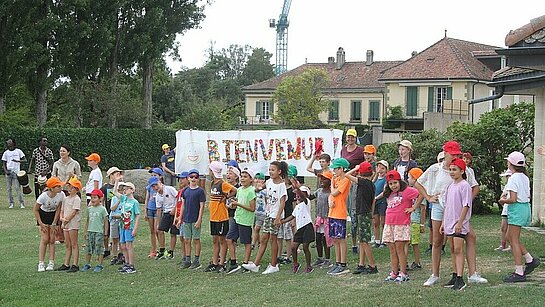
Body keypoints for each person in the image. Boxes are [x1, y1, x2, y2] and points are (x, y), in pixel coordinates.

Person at [417, 141, 487, 286]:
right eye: (452, 154)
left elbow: (475, 187)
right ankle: (435, 274)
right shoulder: (435, 169)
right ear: (445, 154)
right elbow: (418, 182)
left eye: (457, 154)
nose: (455, 156)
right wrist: (428, 197)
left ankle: (468, 273)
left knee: (466, 238)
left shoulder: (464, 169)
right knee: (437, 240)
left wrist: (465, 202)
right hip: (439, 207)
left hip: (457, 210)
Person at [499, 151, 540, 282]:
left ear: (510, 164)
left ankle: (519, 271)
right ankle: (529, 259)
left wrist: (502, 201)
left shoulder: (513, 178)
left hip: (516, 209)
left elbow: (513, 199)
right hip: (525, 207)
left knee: (514, 240)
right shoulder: (524, 177)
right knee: (510, 237)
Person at [242, 161, 288, 275]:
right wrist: (256, 187)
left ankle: (274, 265)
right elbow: (260, 188)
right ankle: (256, 264)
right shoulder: (269, 182)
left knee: (273, 239)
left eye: (273, 170)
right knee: (263, 239)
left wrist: (278, 217)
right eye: (270, 170)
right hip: (268, 214)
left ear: (279, 171)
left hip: (275, 216)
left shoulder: (281, 185)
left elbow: (282, 203)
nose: (270, 172)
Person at [382, 170, 419, 282]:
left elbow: (421, 193)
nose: (393, 186)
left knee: (400, 249)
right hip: (389, 224)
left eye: (395, 183)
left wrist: (414, 207)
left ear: (400, 182)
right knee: (392, 249)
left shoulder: (407, 191)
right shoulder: (389, 193)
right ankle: (394, 272)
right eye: (391, 183)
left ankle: (403, 273)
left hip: (401, 224)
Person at [441, 158, 472, 291]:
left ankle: (460, 278)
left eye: (455, 169)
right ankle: (454, 275)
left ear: (462, 171)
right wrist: (443, 222)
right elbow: (447, 206)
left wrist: (460, 222)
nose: (452, 172)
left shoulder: (464, 186)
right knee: (453, 249)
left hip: (459, 223)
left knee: (459, 249)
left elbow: (466, 205)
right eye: (451, 169)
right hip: (449, 222)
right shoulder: (450, 186)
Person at [345, 161, 378, 275]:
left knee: (364, 241)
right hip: (366, 212)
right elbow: (373, 201)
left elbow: (347, 175)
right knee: (362, 240)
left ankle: (372, 265)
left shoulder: (363, 182)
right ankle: (361, 264)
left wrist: (355, 168)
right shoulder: (371, 184)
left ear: (361, 173)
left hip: (363, 212)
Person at [205, 161, 237, 273]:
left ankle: (221, 263)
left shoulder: (222, 183)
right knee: (215, 240)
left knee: (222, 240)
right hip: (213, 217)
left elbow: (234, 190)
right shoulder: (213, 183)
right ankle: (214, 262)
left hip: (221, 216)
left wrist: (226, 197)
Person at [227, 168, 257, 274]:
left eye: (245, 177)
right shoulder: (239, 190)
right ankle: (233, 262)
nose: (242, 179)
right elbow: (238, 203)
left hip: (245, 220)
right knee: (229, 239)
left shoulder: (251, 191)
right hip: (237, 218)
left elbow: (252, 208)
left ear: (251, 179)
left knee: (246, 242)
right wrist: (233, 204)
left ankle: (245, 263)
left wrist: (238, 204)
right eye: (242, 176)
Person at [340, 129, 364, 255]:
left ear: (355, 138)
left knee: (354, 207)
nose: (350, 139)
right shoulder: (343, 149)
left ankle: (358, 241)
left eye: (352, 137)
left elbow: (364, 164)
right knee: (346, 204)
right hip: (344, 179)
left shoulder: (360, 150)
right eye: (348, 137)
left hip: (354, 179)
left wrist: (357, 172)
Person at [326, 158, 352, 276]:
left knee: (341, 239)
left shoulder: (345, 180)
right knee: (335, 239)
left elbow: (335, 193)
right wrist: (329, 199)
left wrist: (332, 187)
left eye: (336, 168)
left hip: (340, 213)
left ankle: (343, 263)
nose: (334, 170)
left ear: (342, 169)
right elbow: (331, 196)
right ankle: (337, 262)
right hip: (332, 213)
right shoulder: (335, 179)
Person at [34, 177, 65, 272]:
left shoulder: (61, 195)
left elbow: (58, 209)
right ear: (51, 188)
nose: (60, 188)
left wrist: (54, 223)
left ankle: (51, 262)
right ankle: (41, 263)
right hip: (43, 215)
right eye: (58, 186)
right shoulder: (43, 196)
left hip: (53, 215)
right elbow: (35, 210)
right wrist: (41, 223)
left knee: (52, 240)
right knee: (44, 239)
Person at [284, 181, 315, 273]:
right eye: (296, 194)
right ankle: (295, 264)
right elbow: (292, 216)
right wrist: (281, 221)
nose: (297, 195)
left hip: (307, 227)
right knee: (294, 247)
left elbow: (303, 196)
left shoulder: (307, 202)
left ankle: (309, 266)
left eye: (300, 193)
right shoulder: (297, 206)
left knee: (305, 247)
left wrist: (297, 188)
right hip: (300, 228)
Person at [179, 169, 206, 269]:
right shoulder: (185, 191)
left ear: (198, 179)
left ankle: (197, 260)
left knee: (196, 239)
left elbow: (202, 206)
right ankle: (187, 259)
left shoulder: (200, 191)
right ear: (188, 178)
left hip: (195, 219)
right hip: (186, 219)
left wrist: (199, 220)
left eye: (196, 177)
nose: (193, 179)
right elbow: (183, 205)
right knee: (187, 239)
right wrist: (180, 218)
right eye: (191, 177)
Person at [113, 181, 140, 274]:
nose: (124, 190)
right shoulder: (124, 199)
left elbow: (137, 215)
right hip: (122, 225)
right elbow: (115, 192)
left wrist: (135, 228)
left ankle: (131, 265)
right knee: (123, 245)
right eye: (124, 189)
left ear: (132, 190)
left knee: (129, 245)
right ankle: (127, 263)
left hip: (130, 226)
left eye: (127, 188)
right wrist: (116, 181)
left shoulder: (134, 202)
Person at [149, 176, 179, 260]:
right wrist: (158, 222)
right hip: (166, 213)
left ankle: (171, 251)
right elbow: (159, 209)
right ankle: (162, 250)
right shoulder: (157, 196)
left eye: (156, 185)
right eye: (153, 186)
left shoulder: (170, 189)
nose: (155, 188)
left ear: (160, 183)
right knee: (159, 230)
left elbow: (178, 198)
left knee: (173, 233)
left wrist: (175, 208)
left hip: (174, 212)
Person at [58, 177, 82, 272]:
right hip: (66, 223)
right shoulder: (66, 199)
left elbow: (74, 212)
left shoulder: (77, 199)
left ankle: (75, 264)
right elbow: (62, 210)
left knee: (74, 243)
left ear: (76, 189)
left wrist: (66, 220)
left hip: (73, 223)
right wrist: (62, 218)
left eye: (72, 187)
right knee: (68, 244)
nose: (69, 188)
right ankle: (66, 263)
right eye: (69, 186)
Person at [81, 189, 108, 272]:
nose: (93, 199)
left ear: (100, 199)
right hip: (90, 231)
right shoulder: (89, 209)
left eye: (95, 197)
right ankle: (87, 264)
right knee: (88, 248)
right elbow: (88, 221)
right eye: (92, 198)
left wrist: (105, 233)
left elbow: (106, 221)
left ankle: (99, 265)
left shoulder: (102, 209)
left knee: (99, 249)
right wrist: (85, 231)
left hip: (99, 232)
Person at [309, 171, 332, 267]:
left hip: (327, 218)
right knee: (318, 238)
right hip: (319, 218)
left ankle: (327, 259)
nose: (322, 181)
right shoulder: (319, 191)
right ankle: (320, 258)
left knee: (325, 239)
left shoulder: (331, 192)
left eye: (324, 179)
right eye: (321, 179)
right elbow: (310, 197)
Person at [100, 166, 123, 259]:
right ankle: (106, 250)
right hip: (108, 213)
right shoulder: (105, 187)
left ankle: (119, 251)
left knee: (118, 234)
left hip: (119, 213)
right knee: (106, 233)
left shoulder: (121, 186)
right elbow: (100, 197)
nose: (118, 176)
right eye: (116, 174)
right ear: (111, 175)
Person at [407, 167, 426, 271]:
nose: (408, 179)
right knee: (407, 242)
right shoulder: (410, 190)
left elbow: (423, 209)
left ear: (415, 179)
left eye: (410, 177)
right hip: (408, 220)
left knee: (415, 243)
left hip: (415, 221)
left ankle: (417, 262)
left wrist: (421, 224)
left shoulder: (420, 191)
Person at [277, 165, 297, 265]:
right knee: (279, 237)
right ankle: (279, 255)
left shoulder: (292, 191)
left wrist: (293, 219)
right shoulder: (280, 187)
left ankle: (289, 256)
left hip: (288, 216)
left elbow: (294, 205)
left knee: (288, 237)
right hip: (280, 216)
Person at [2, 138, 26, 208]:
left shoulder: (18, 151)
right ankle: (11, 203)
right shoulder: (6, 153)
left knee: (17, 188)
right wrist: (6, 171)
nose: (8, 143)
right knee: (9, 189)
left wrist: (17, 161)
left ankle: (21, 203)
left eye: (10, 142)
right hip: (9, 172)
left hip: (16, 172)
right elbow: (4, 163)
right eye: (8, 142)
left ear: (13, 143)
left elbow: (24, 160)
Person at [225, 165, 241, 269]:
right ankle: (230, 257)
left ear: (236, 177)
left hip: (234, 214)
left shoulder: (239, 188)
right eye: (227, 173)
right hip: (224, 214)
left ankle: (232, 259)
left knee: (231, 238)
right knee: (227, 237)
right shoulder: (225, 186)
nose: (228, 175)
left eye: (230, 173)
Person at [145, 167, 163, 258]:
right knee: (152, 230)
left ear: (160, 176)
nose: (152, 177)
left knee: (157, 230)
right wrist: (145, 210)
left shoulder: (161, 187)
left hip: (157, 210)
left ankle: (161, 248)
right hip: (150, 209)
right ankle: (153, 250)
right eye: (151, 175)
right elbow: (147, 199)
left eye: (155, 175)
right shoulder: (149, 187)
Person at [495, 169, 513, 252]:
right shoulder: (507, 186)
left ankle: (511, 245)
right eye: (507, 176)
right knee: (503, 227)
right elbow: (502, 196)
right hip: (506, 209)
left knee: (511, 229)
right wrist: (503, 198)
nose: (507, 178)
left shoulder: (515, 184)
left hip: (512, 209)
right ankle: (503, 244)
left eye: (509, 176)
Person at [109, 181, 126, 265]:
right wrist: (118, 201)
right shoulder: (114, 198)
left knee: (121, 239)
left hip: (121, 220)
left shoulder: (126, 199)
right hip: (114, 220)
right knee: (114, 239)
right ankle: (114, 256)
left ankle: (121, 255)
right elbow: (112, 208)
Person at [372, 160, 389, 248]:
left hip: (382, 201)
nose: (381, 170)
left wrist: (376, 198)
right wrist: (376, 173)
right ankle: (377, 240)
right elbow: (372, 183)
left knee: (383, 221)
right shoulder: (376, 177)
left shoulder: (386, 179)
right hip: (375, 201)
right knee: (375, 222)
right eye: (379, 168)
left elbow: (385, 191)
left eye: (383, 168)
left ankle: (385, 240)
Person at [174, 171, 189, 265]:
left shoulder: (188, 191)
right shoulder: (180, 192)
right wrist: (176, 217)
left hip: (185, 217)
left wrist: (181, 217)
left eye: (183, 179)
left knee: (186, 238)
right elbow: (177, 205)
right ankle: (183, 256)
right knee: (181, 238)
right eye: (179, 179)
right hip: (179, 217)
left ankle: (187, 257)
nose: (180, 181)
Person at [251, 173, 267, 251]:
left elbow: (267, 200)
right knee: (256, 228)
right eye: (256, 178)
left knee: (260, 228)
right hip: (255, 212)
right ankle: (256, 243)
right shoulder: (253, 189)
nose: (257, 180)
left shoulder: (265, 190)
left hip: (263, 212)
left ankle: (256, 243)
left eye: (259, 178)